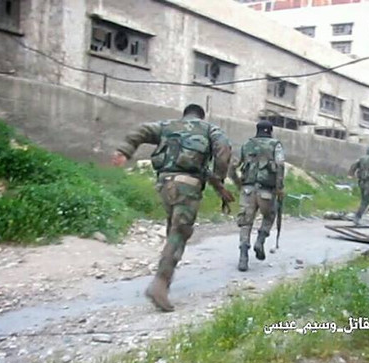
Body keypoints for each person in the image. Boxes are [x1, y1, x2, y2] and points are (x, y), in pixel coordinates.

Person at [111, 104, 232, 312]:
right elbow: (223, 150)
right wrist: (219, 178)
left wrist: (124, 150)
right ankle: (160, 283)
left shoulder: (167, 126)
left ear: (184, 114)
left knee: (174, 227)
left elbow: (141, 130)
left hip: (164, 185)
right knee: (180, 232)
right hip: (188, 185)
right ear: (202, 116)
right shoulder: (209, 129)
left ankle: (164, 277)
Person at [229, 120, 285, 271]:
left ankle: (243, 257)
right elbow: (280, 165)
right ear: (271, 131)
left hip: (247, 190)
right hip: (266, 191)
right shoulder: (275, 145)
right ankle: (260, 240)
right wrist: (279, 188)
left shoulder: (247, 145)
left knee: (245, 223)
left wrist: (238, 184)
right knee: (269, 215)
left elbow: (232, 167)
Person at [348, 145, 369, 224]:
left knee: (363, 198)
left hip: (361, 181)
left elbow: (353, 166)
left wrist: (351, 174)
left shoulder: (361, 159)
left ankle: (358, 215)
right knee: (366, 200)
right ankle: (357, 217)